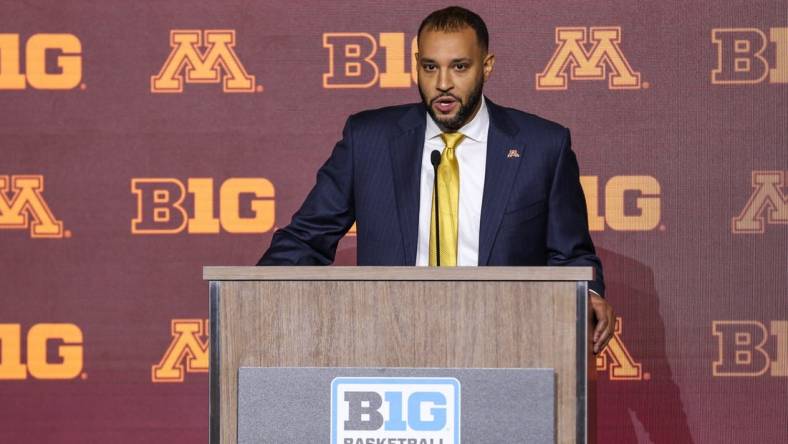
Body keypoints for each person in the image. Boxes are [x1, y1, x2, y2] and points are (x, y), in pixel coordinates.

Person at [258, 6, 615, 353]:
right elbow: (307, 238)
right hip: (389, 345)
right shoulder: (369, 140)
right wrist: (249, 291)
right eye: (430, 67)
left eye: (459, 67)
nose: (443, 84)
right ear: (416, 67)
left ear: (486, 66)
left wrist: (588, 294)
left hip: (505, 345)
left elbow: (571, 255)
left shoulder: (542, 146)